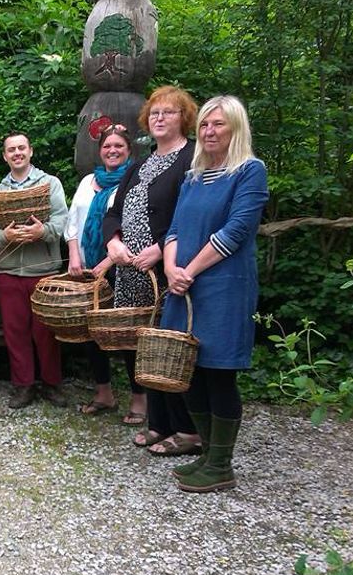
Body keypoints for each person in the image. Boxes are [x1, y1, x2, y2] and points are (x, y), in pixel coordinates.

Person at [162, 96, 268, 492]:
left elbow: (235, 231)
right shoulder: (193, 177)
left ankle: (221, 465)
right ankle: (207, 453)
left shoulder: (249, 172)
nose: (209, 131)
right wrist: (172, 269)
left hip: (223, 288)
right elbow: (173, 229)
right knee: (189, 372)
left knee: (219, 373)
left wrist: (187, 271)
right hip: (184, 287)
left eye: (218, 125)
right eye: (205, 124)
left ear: (236, 128)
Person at [102, 85, 201, 455]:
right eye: (155, 113)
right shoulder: (139, 165)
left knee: (170, 347)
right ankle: (158, 423)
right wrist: (113, 241)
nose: (160, 118)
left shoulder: (193, 159)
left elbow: (193, 216)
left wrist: (160, 251)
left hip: (167, 271)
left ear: (184, 118)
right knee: (141, 347)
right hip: (130, 272)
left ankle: (186, 427)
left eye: (169, 112)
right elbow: (114, 212)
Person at [65, 125, 145, 416]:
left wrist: (109, 261)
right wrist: (75, 256)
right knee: (91, 333)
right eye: (107, 146)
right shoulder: (88, 181)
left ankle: (139, 400)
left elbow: (135, 228)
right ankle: (104, 394)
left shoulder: (135, 181)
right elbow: (72, 222)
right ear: (100, 151)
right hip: (86, 269)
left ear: (128, 151)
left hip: (122, 269)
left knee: (125, 334)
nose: (112, 150)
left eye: (118, 146)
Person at [0, 132, 68, 409]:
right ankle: (23, 386)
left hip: (43, 271)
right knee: (15, 332)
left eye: (22, 148)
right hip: (9, 273)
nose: (17, 153)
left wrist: (42, 231)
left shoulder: (50, 184)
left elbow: (62, 223)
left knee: (46, 332)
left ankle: (52, 384)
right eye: (11, 149)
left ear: (30, 151)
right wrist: (6, 236)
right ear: (5, 156)